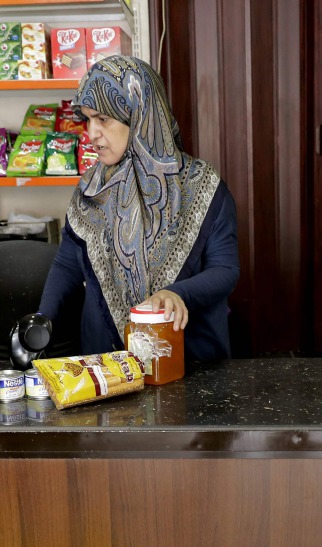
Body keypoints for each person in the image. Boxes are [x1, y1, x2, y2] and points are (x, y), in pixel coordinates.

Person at [38, 55, 239, 361]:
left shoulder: (202, 186)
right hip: (107, 367)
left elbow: (225, 269)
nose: (92, 133)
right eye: (87, 119)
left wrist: (177, 293)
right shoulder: (90, 189)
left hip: (189, 363)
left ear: (139, 114)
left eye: (103, 119)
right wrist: (42, 319)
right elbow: (67, 265)